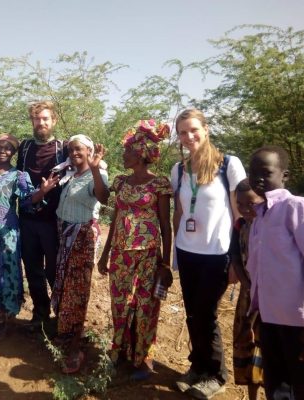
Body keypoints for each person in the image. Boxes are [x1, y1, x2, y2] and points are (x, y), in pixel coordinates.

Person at [171, 109, 246, 399]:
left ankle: (216, 375)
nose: (188, 137)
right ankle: (198, 366)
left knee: (207, 313)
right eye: (182, 133)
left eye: (193, 130)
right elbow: (178, 212)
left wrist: (237, 260)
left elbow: (240, 214)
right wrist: (174, 253)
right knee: (192, 314)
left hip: (218, 254)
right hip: (187, 252)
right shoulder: (178, 170)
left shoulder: (229, 165)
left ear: (206, 129)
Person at [247, 145, 304, 400]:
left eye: (266, 172)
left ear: (285, 176)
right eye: (253, 172)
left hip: (300, 322)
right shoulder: (259, 217)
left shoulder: (299, 208)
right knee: (277, 388)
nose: (258, 178)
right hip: (270, 319)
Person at [98, 120, 173, 380]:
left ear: (141, 154)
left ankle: (143, 358)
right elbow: (117, 218)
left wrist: (166, 264)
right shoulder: (121, 182)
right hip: (120, 253)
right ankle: (117, 353)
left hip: (148, 255)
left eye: (128, 151)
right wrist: (105, 253)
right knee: (120, 304)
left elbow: (165, 225)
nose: (124, 155)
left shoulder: (159, 184)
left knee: (145, 306)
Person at [0, 134, 58, 341]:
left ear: (14, 152)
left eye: (8, 148)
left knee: (3, 275)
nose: (3, 150)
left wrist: (41, 192)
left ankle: (3, 323)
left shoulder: (18, 175)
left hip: (3, 234)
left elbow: (26, 201)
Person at [50, 134, 109, 374]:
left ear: (90, 151)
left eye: (80, 150)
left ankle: (76, 347)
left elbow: (103, 197)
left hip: (82, 238)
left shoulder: (97, 174)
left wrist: (95, 170)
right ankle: (67, 335)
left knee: (78, 289)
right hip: (66, 237)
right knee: (66, 287)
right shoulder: (70, 175)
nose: (75, 153)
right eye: (72, 150)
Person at [17, 101, 68, 328]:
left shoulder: (62, 148)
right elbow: (12, 171)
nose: (41, 123)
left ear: (53, 121)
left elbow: (83, 163)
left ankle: (61, 316)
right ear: (32, 122)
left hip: (53, 220)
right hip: (28, 219)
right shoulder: (24, 148)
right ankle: (40, 314)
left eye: (45, 119)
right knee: (33, 268)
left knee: (55, 269)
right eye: (37, 119)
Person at [230, 179, 264, 400]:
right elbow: (234, 255)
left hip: (271, 299)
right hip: (248, 294)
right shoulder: (241, 226)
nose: (244, 208)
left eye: (250, 203)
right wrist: (246, 282)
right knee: (247, 344)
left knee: (267, 347)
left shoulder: (271, 226)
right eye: (239, 204)